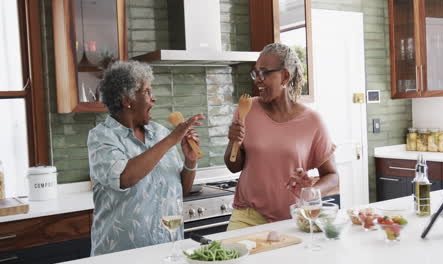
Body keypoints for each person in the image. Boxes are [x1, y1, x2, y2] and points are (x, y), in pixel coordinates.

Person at [87, 61, 205, 255]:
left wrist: (190, 161)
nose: (154, 98)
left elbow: (181, 190)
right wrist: (172, 139)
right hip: (122, 255)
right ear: (128, 99)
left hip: (168, 250)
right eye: (147, 91)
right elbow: (124, 177)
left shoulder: (160, 133)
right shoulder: (102, 137)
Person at [224, 43, 339, 230]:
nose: (257, 80)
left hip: (293, 218)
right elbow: (233, 166)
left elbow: (332, 176)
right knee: (231, 258)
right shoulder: (247, 109)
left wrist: (311, 192)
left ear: (285, 76)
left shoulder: (312, 121)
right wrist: (233, 142)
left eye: (264, 73)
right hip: (247, 215)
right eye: (255, 73)